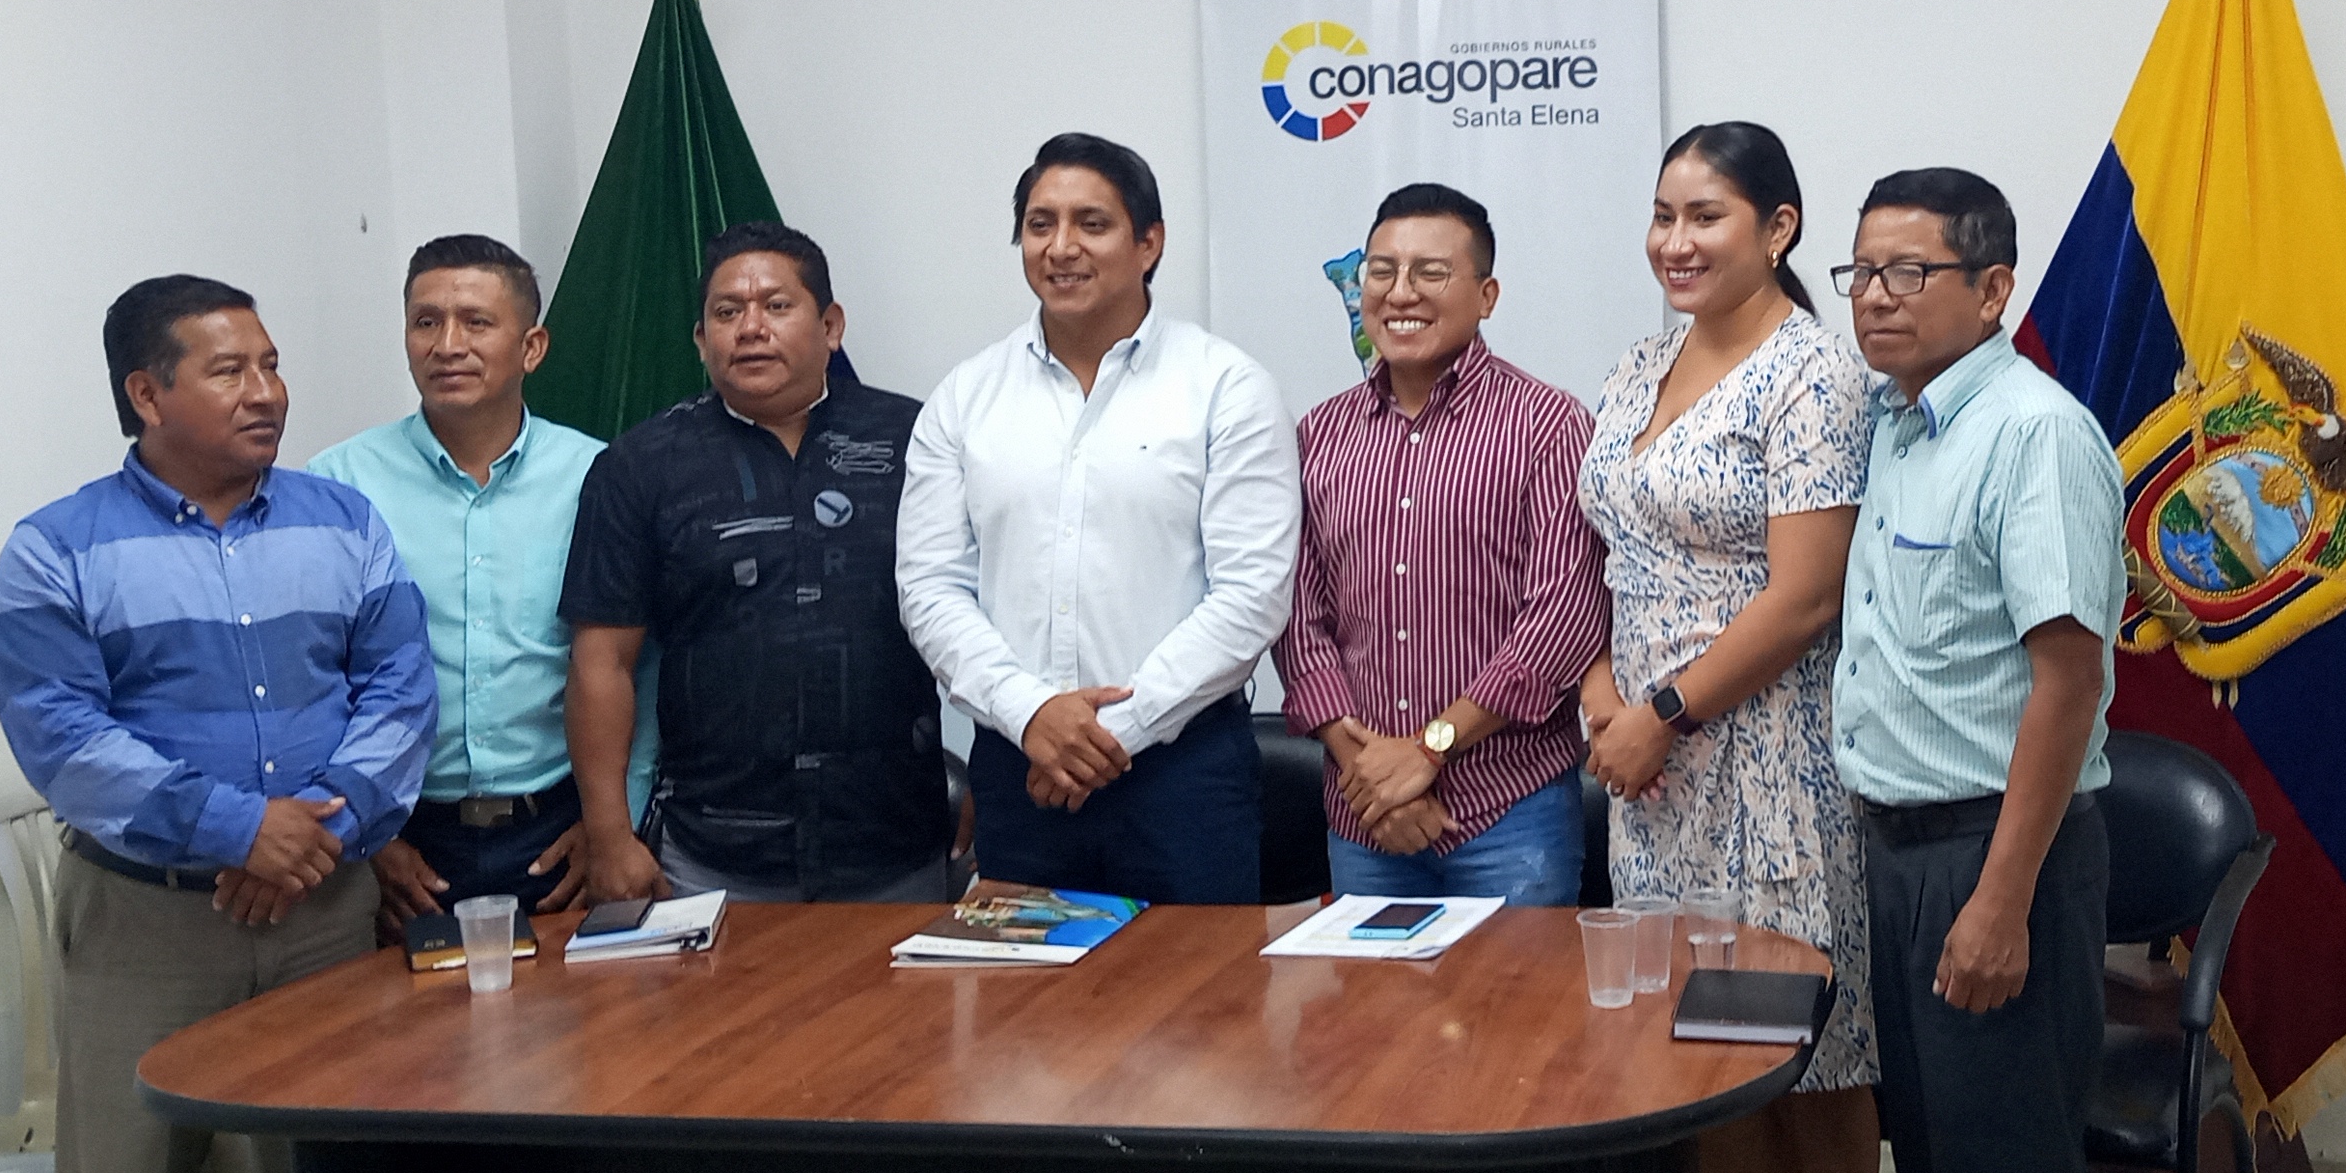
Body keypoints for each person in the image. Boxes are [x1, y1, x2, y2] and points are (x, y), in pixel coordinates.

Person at [0, 275, 431, 1173]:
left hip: (323, 913)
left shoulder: (346, 523)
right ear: (147, 394)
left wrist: (314, 835)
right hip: (148, 926)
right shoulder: (55, 550)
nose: (266, 392)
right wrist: (238, 829)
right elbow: (62, 738)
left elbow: (402, 693)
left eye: (271, 365)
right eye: (230, 371)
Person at [1576, 123, 1883, 1173]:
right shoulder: (1636, 367)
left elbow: (1805, 598)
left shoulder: (1814, 374)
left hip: (1769, 771)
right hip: (1651, 781)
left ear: (1778, 228)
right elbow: (1607, 554)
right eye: (1664, 215)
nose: (1676, 240)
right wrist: (1603, 698)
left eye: (1705, 216)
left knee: (1808, 1064)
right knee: (1702, 1061)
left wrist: (1662, 713)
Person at [1831, 170, 2124, 1173]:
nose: (1875, 296)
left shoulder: (2034, 435)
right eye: (1862, 272)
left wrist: (1999, 903)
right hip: (1897, 856)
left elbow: (2069, 682)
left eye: (1909, 272)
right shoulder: (1896, 426)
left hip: (1996, 858)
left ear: (1994, 288)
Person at [898, 134, 1299, 905]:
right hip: (1021, 767)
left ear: (1149, 243)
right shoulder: (965, 398)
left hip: (1184, 774)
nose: (1060, 247)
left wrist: (1110, 734)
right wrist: (1032, 714)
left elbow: (1251, 594)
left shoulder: (1225, 388)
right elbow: (929, 588)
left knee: (1196, 983)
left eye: (1092, 223)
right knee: (1024, 984)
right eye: (1039, 224)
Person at [554, 223, 953, 905]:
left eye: (776, 305)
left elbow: (979, 614)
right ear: (700, 339)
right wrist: (609, 834)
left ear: (831, 326)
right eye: (727, 312)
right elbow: (602, 663)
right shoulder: (639, 466)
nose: (750, 328)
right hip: (713, 853)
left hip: (895, 841)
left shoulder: (917, 441)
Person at [1276, 184, 1609, 904]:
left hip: (1509, 812)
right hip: (1365, 819)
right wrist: (1371, 775)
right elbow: (1297, 617)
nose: (1401, 293)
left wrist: (1429, 750)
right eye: (1382, 271)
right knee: (1370, 987)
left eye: (1431, 272)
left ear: (1486, 295)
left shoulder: (1548, 425)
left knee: (1519, 986)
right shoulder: (1318, 434)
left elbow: (1564, 617)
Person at [305, 235, 632, 929]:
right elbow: (310, 675)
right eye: (426, 322)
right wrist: (366, 839)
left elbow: (638, 664)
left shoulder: (597, 476)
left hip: (561, 829)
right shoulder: (338, 485)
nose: (447, 345)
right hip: (399, 837)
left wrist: (613, 821)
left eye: (476, 322)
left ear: (532, 347)